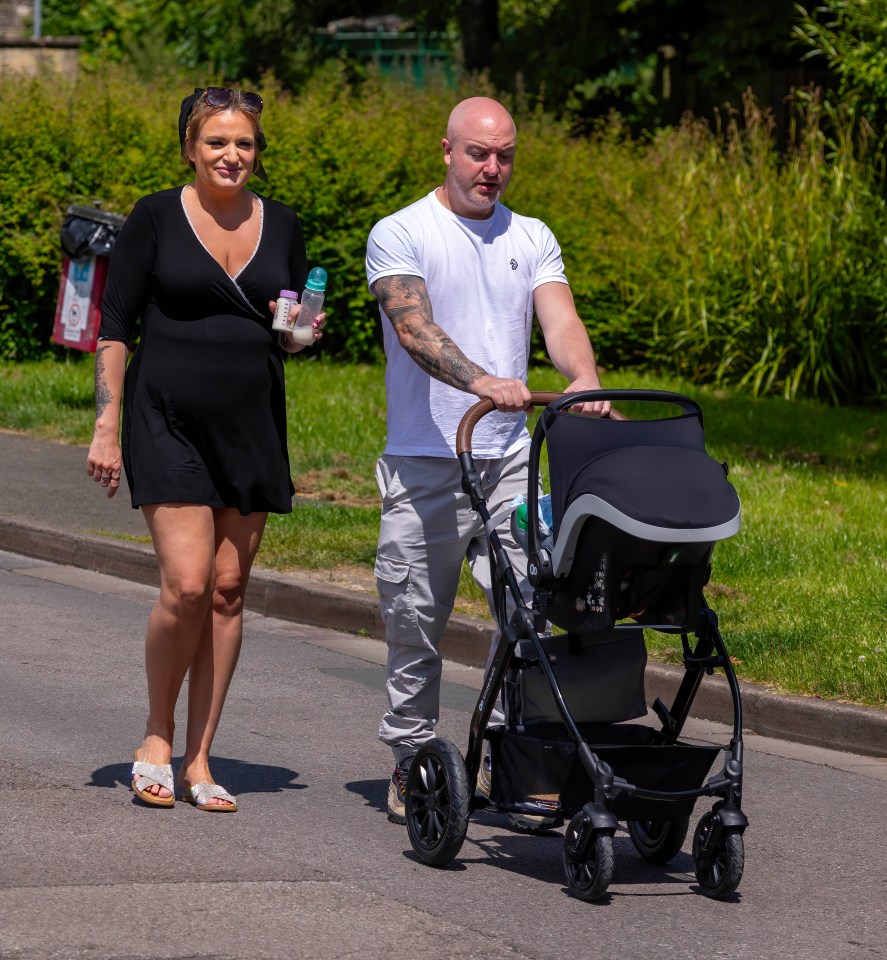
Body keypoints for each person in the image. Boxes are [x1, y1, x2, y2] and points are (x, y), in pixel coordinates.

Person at [365, 96, 611, 825]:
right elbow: (413, 327)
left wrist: (583, 378)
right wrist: (480, 382)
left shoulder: (530, 235)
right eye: (478, 153)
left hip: (507, 460)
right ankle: (412, 759)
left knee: (530, 610)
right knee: (414, 617)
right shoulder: (402, 231)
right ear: (446, 150)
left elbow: (558, 316)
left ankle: (514, 755)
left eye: (504, 155)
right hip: (425, 459)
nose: (492, 168)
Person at [87, 87, 323, 811]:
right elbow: (116, 323)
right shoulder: (156, 217)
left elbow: (298, 325)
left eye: (244, 143)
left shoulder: (281, 224)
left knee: (227, 591)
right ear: (190, 147)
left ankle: (198, 759)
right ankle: (155, 737)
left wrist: (304, 332)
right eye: (216, 142)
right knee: (187, 583)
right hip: (166, 417)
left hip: (250, 424)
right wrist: (106, 421)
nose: (231, 155)